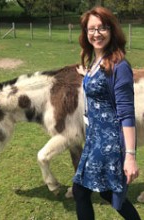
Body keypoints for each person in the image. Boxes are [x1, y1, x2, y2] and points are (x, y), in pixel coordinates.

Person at [72, 6, 141, 220]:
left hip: (109, 142)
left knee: (83, 191)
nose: (96, 33)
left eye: (102, 27)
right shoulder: (96, 62)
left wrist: (130, 156)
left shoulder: (119, 66)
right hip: (95, 139)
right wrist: (87, 75)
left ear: (112, 30)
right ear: (85, 33)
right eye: (91, 29)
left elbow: (126, 113)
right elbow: (99, 87)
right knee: (104, 191)